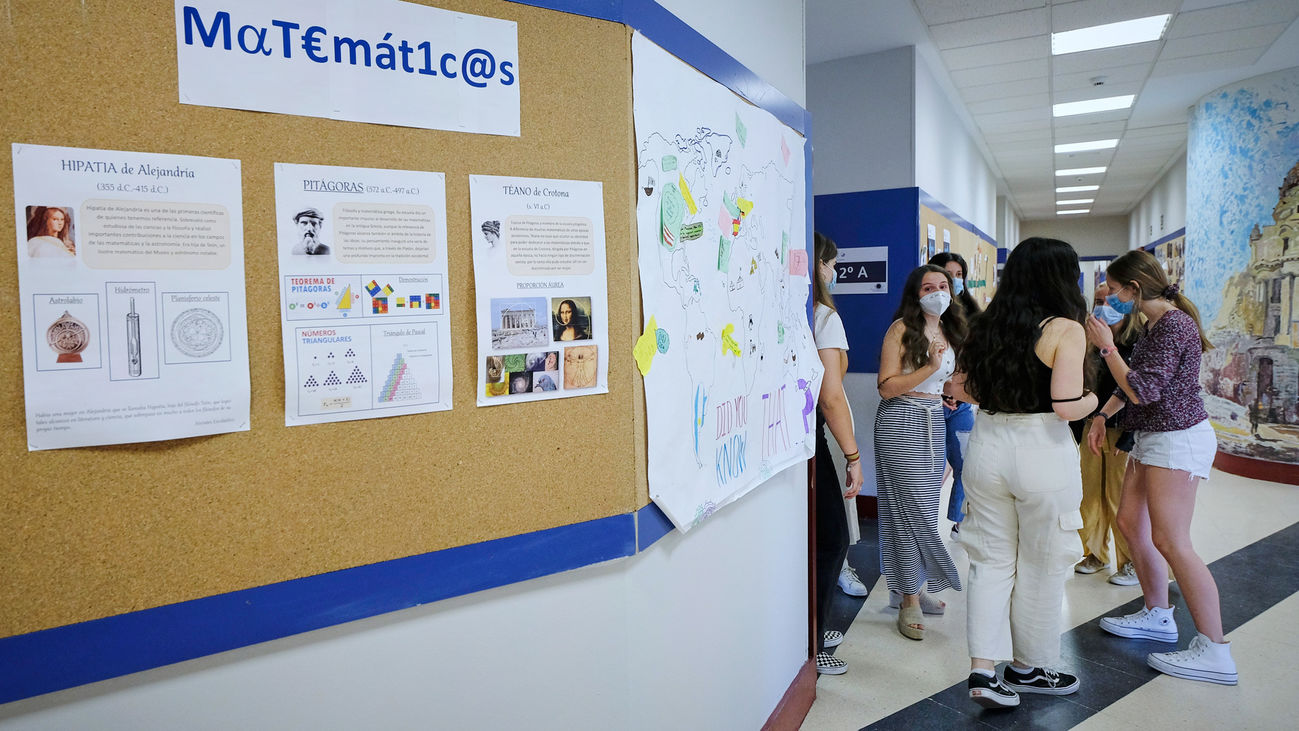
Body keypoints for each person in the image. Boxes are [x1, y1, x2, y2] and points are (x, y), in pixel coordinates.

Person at [952, 237, 1094, 709]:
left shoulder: (986, 324)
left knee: (990, 560)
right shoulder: (1066, 329)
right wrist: (1096, 402)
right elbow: (1066, 406)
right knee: (1043, 561)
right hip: (1042, 451)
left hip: (988, 444)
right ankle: (1029, 667)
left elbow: (965, 388)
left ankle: (982, 671)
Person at [1085, 250, 1235, 686]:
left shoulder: (1174, 325)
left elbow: (1144, 389)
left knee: (1172, 540)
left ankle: (1215, 649)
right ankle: (1157, 614)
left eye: (1113, 291)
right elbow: (1130, 382)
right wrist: (1101, 415)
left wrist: (1107, 347)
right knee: (1131, 521)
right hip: (1152, 437)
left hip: (1177, 439)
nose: (1108, 299)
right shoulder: (1153, 324)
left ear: (1134, 289)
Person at [876, 263, 966, 641]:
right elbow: (886, 386)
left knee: (925, 510)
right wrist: (928, 366)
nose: (938, 292)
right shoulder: (901, 329)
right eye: (928, 287)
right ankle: (909, 597)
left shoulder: (949, 328)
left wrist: (943, 391)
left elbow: (945, 379)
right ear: (916, 294)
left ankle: (914, 587)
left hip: (932, 419)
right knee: (908, 512)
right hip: (900, 422)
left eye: (943, 285)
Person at [810, 232, 865, 675]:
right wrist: (852, 455)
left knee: (811, 539)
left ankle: (812, 623)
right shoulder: (823, 316)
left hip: (788, 439)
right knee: (833, 538)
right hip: (810, 440)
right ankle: (814, 636)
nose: (834, 270)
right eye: (831, 261)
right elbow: (831, 397)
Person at [1073, 283, 1141, 586]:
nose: (1103, 306)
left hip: (1124, 428)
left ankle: (1131, 562)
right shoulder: (1088, 342)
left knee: (1119, 499)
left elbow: (1137, 390)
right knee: (1090, 497)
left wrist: (1131, 435)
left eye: (1109, 300)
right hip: (1092, 425)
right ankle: (1095, 554)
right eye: (1098, 301)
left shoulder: (1137, 341)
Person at [928, 252, 978, 540]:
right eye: (948, 274)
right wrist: (942, 391)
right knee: (930, 471)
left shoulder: (973, 316)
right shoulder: (920, 318)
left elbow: (975, 360)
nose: (954, 281)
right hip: (930, 403)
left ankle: (959, 522)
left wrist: (959, 393)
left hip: (961, 403)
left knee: (964, 465)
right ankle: (925, 530)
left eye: (959, 275)